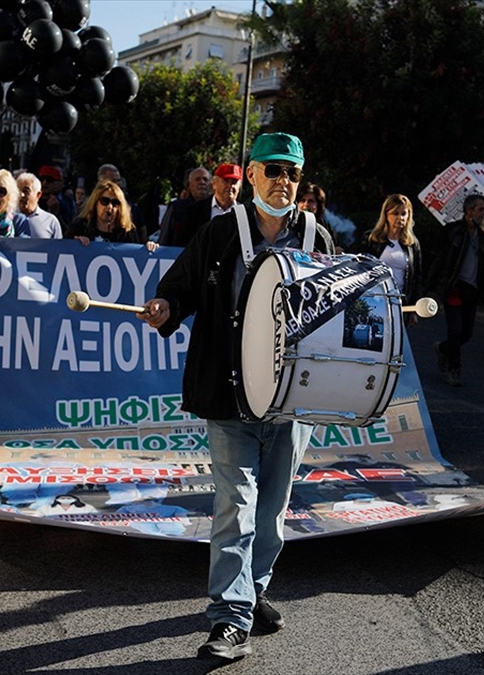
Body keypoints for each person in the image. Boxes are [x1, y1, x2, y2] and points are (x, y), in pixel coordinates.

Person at [139, 132, 334, 663]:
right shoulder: (220, 232)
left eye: (292, 172)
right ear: (250, 174)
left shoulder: (319, 239)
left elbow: (338, 319)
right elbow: (178, 288)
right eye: (272, 169)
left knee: (271, 515)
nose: (283, 180)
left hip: (293, 404)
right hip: (231, 400)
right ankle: (229, 618)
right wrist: (165, 306)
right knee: (237, 510)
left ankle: (254, 588)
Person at [423, 192, 484, 387]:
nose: (483, 213)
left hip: (473, 290)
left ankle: (442, 348)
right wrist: (431, 287)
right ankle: (454, 369)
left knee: (466, 334)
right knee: (455, 330)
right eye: (480, 209)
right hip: (455, 288)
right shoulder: (455, 232)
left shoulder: (483, 235)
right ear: (469, 211)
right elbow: (441, 259)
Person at [360, 194, 422, 326]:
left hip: (399, 302)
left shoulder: (412, 244)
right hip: (374, 300)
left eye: (404, 213)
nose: (400, 218)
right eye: (395, 213)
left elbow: (416, 277)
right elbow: (360, 268)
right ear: (386, 215)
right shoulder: (371, 239)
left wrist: (413, 309)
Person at [175, 162, 242, 247]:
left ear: (239, 186)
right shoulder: (196, 210)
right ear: (214, 184)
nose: (230, 186)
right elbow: (184, 242)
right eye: (225, 181)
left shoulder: (245, 213)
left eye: (234, 182)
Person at [67, 179, 148, 246]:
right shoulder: (79, 227)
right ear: (95, 203)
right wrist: (74, 243)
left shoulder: (127, 231)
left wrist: (149, 248)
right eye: (105, 201)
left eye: (115, 203)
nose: (110, 207)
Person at [159, 167, 211, 246]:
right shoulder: (177, 208)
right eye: (197, 179)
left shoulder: (217, 209)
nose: (202, 182)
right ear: (190, 185)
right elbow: (165, 237)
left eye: (205, 179)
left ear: (211, 185)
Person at [15, 173, 63, 239]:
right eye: (18, 190)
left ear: (38, 195)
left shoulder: (50, 221)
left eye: (26, 191)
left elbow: (58, 247)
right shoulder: (7, 219)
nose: (21, 195)